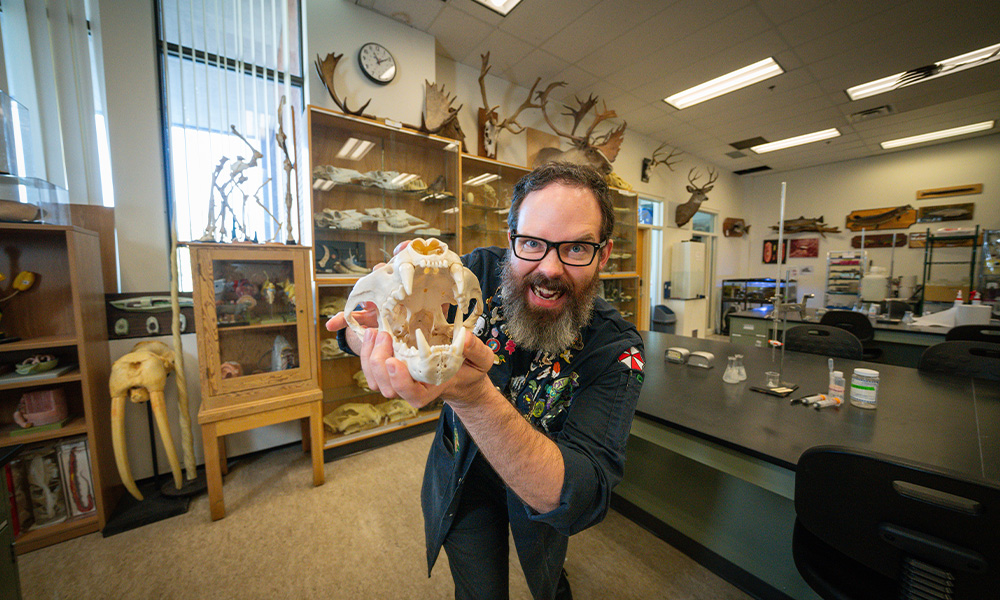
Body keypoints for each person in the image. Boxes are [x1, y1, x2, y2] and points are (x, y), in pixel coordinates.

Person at [326, 162, 645, 600]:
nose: (550, 268)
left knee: (547, 576)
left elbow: (582, 495)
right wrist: (369, 331)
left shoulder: (617, 351)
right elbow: (365, 323)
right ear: (511, 240)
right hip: (463, 474)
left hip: (537, 486)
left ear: (603, 254)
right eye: (531, 243)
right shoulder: (474, 273)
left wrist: (474, 398)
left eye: (576, 248)